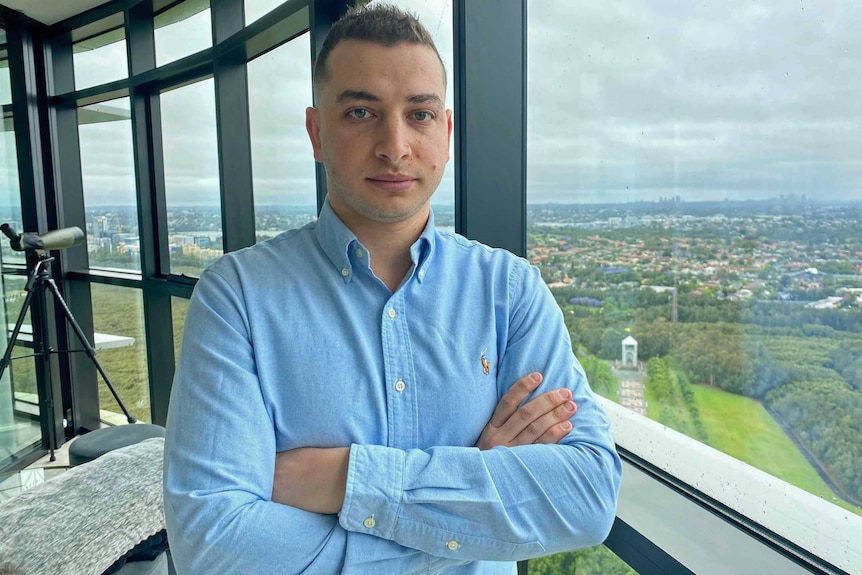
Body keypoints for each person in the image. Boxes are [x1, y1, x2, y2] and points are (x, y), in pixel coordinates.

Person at [163, 4, 621, 573]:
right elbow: (213, 548)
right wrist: (470, 493)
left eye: (421, 115)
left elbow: (586, 497)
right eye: (360, 111)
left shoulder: (510, 292)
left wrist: (344, 480)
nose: (395, 145)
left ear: (446, 133)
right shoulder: (237, 298)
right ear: (316, 133)